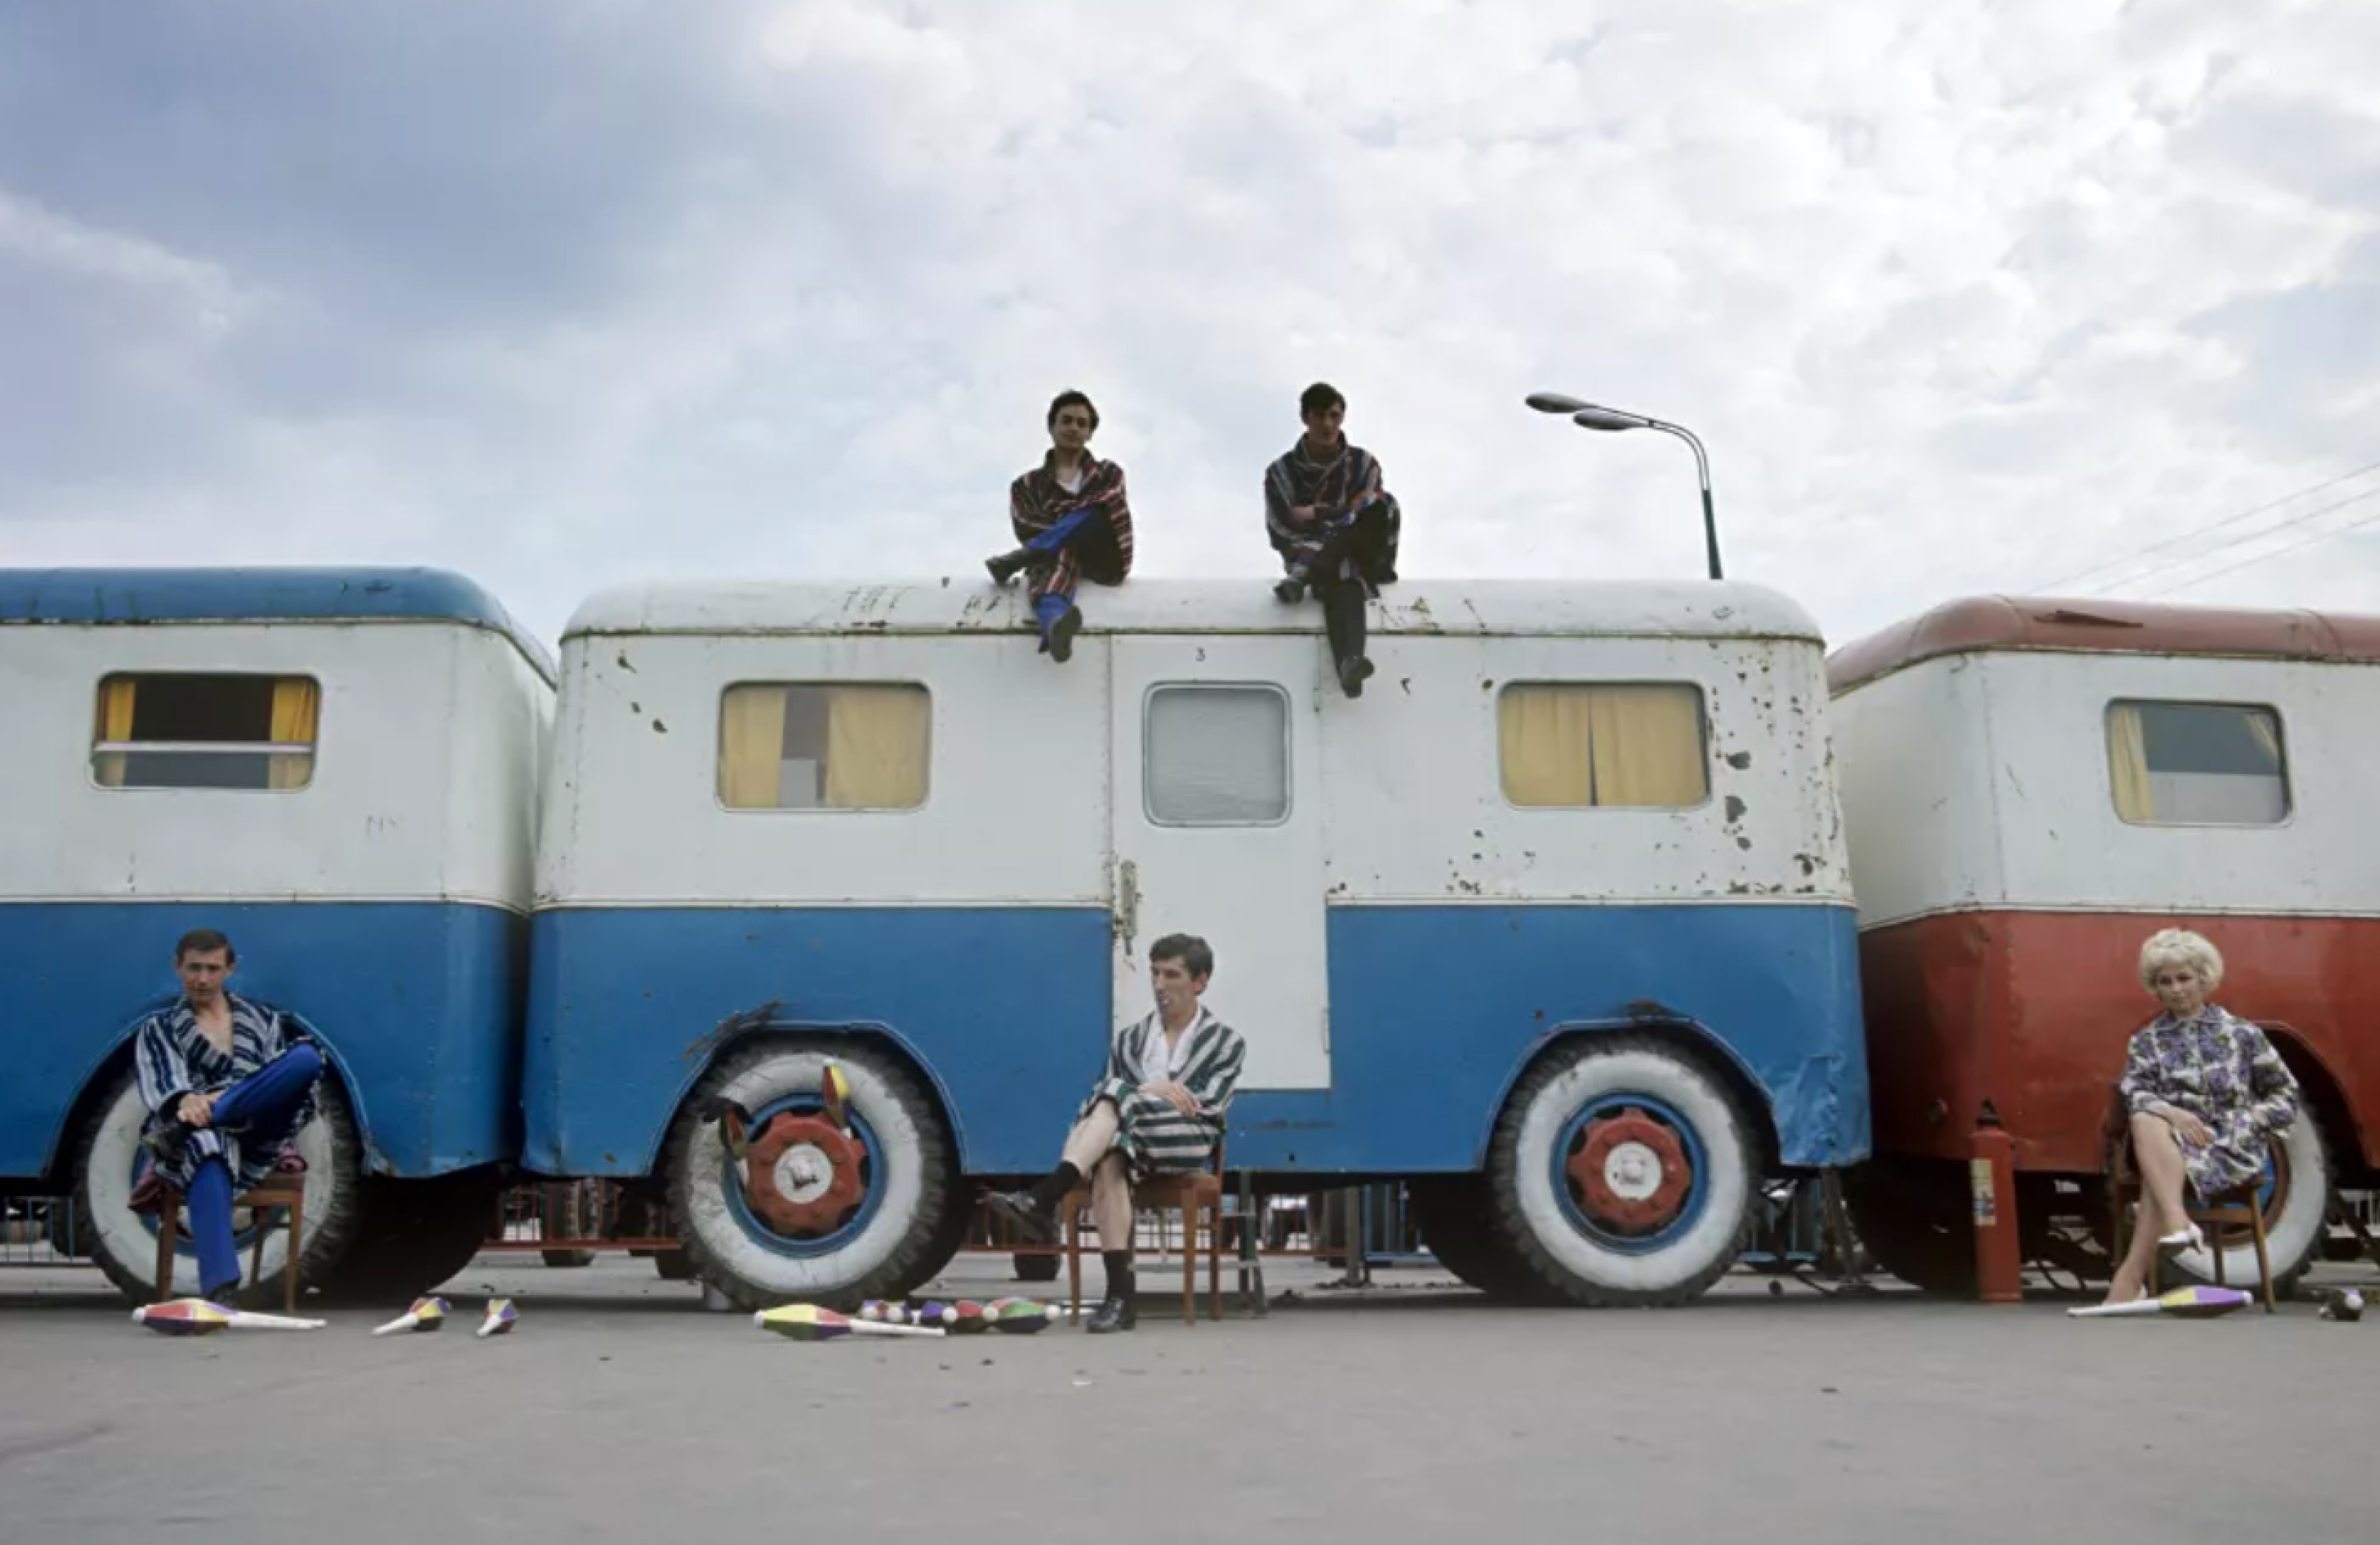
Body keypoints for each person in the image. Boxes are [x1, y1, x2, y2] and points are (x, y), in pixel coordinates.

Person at [985, 934, 1246, 1333]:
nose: (1160, 985)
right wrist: (1151, 1089)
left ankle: (1046, 1195)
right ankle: (1120, 1298)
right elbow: (1100, 1097)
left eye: (1172, 975)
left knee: (1113, 1098)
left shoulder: (1227, 1042)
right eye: (1155, 974)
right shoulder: (1130, 1041)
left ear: (1200, 982)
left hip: (1186, 1137)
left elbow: (1206, 1103)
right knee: (1109, 1157)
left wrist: (1146, 1090)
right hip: (1129, 1133)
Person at [2099, 927, 2301, 1308]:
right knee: (2147, 1118)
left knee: (2155, 1169)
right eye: (2165, 982)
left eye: (2184, 978)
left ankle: (2129, 1279)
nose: (2175, 989)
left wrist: (2248, 1120)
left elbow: (2285, 1095)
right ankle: (2176, 1225)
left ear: (2204, 979)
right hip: (2167, 1142)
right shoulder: (2147, 1041)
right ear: (2154, 988)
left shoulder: (2242, 1035)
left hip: (2226, 1145)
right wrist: (2172, 1113)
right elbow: (2135, 1090)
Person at [129, 929, 324, 1307]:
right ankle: (220, 1289)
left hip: (260, 1128)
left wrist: (222, 1099)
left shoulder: (262, 1021)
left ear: (230, 970)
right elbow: (165, 1084)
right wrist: (189, 1100)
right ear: (178, 968)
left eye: (213, 969)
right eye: (194, 969)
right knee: (205, 1144)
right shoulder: (160, 1028)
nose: (202, 979)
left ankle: (207, 1114)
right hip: (197, 1129)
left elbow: (282, 1084)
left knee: (306, 1058)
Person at [1264, 381, 1403, 698]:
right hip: (1315, 556)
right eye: (1319, 416)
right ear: (1305, 419)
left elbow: (1370, 511)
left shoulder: (1364, 464)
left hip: (1363, 550)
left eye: (1334, 416)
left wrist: (1317, 512)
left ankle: (1309, 574)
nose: (1327, 425)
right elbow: (1281, 528)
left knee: (1383, 504)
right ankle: (1350, 663)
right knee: (1343, 572)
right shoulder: (1281, 472)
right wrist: (1329, 534)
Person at [985, 389, 1136, 663]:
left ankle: (1024, 557)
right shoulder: (1027, 485)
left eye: (1082, 424)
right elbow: (1026, 521)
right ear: (1051, 426)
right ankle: (1055, 628)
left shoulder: (1108, 473)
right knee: (1061, 553)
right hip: (1057, 559)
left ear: (1090, 433)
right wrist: (1066, 528)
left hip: (1104, 553)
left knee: (1099, 511)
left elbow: (1110, 507)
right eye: (1066, 421)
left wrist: (1062, 521)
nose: (1074, 428)